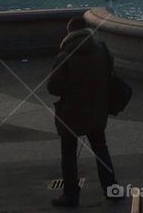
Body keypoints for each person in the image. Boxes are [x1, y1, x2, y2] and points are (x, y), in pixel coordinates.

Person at [47, 16, 119, 207]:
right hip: (97, 109)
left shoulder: (64, 56)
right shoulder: (102, 50)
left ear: (69, 33)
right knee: (101, 149)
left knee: (69, 153)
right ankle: (112, 188)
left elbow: (53, 87)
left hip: (71, 113)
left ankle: (71, 195)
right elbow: (111, 74)